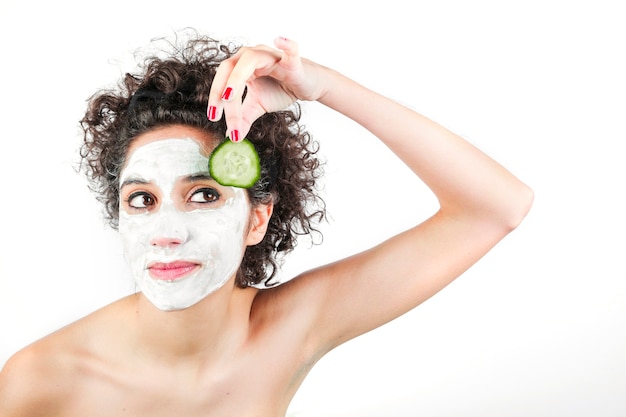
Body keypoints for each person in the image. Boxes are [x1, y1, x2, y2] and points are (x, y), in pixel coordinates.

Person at [0, 31, 533, 416]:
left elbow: (497, 206)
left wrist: (324, 88)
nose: (166, 231)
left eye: (203, 194)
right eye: (141, 200)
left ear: (257, 218)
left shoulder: (291, 329)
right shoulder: (40, 380)